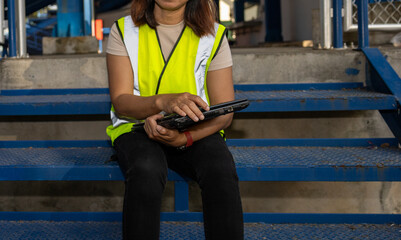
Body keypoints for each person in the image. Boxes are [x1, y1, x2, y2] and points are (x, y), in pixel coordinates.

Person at [106, 0, 244, 239]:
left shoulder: (214, 34)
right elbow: (121, 101)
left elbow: (224, 113)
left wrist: (185, 137)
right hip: (136, 126)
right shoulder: (123, 29)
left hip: (195, 129)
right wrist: (161, 102)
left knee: (220, 168)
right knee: (146, 168)